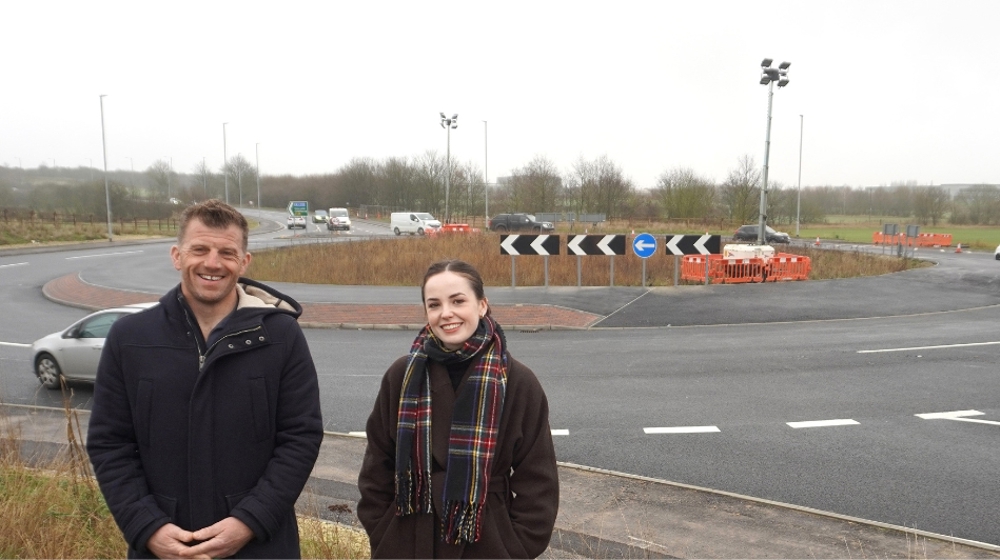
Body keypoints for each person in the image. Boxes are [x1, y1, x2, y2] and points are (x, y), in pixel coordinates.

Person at [87, 199, 323, 559]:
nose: (212, 263)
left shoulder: (282, 336)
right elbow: (110, 444)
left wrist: (250, 521)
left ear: (243, 262)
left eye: (227, 252)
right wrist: (147, 526)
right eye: (200, 249)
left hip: (262, 546)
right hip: (163, 548)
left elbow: (300, 438)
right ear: (177, 255)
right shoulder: (129, 338)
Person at [357, 259, 559, 558]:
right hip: (408, 541)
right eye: (434, 304)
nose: (446, 313)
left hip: (488, 543)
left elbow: (538, 481)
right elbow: (377, 467)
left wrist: (514, 547)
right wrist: (383, 533)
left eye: (458, 301)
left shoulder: (517, 381)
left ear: (482, 305)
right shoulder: (401, 376)